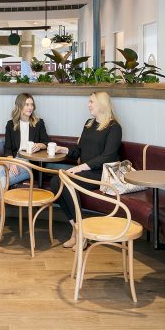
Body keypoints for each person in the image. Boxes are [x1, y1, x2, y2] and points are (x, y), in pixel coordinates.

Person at [47, 91, 123, 248]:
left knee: (66, 182)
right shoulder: (89, 124)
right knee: (55, 181)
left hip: (101, 174)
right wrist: (63, 149)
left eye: (91, 102)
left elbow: (107, 157)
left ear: (102, 104)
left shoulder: (114, 127)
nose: (88, 105)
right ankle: (77, 230)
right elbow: (78, 151)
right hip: (86, 172)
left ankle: (80, 234)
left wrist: (80, 167)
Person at [0, 93, 52, 237]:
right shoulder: (11, 124)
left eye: (32, 104)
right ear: (20, 106)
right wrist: (11, 162)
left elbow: (47, 142)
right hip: (14, 161)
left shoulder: (38, 123)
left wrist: (39, 145)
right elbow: (7, 148)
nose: (30, 108)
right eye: (27, 104)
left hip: (29, 163)